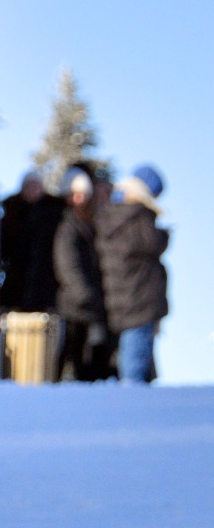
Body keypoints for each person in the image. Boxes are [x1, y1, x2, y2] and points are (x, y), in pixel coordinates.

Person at [97, 164, 170, 384]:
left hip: (123, 298)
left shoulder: (111, 214)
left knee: (133, 358)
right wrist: (164, 234)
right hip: (138, 300)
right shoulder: (138, 216)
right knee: (134, 365)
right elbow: (153, 242)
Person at [52, 165, 114, 381]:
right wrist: (86, 295)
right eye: (74, 195)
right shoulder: (68, 229)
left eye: (82, 195)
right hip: (75, 307)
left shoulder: (92, 225)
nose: (78, 200)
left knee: (93, 365)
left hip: (93, 306)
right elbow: (69, 267)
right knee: (74, 358)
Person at [0, 170, 64, 314]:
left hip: (45, 283)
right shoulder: (12, 213)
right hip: (16, 281)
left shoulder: (54, 213)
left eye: (36, 185)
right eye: (29, 186)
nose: (32, 190)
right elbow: (2, 248)